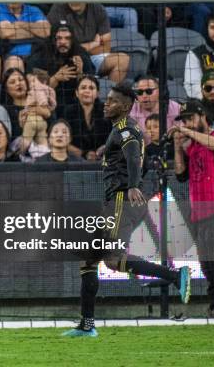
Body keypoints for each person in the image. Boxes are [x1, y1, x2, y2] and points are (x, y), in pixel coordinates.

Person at [63, 84, 191, 337]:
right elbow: (129, 153)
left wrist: (133, 184)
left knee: (111, 259)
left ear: (123, 106)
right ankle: (86, 325)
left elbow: (133, 155)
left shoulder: (126, 129)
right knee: (89, 259)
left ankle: (175, 276)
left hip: (123, 200)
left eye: (110, 101)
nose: (105, 103)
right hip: (116, 201)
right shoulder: (120, 130)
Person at [168, 100, 214, 317]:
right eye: (184, 120)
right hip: (199, 212)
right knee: (206, 264)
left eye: (190, 118)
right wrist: (178, 147)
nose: (186, 123)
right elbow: (180, 175)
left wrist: (187, 132)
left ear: (202, 116)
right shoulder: (193, 147)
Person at [47, 0, 129, 84]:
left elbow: (105, 47)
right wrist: (92, 44)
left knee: (123, 59)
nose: (73, 0)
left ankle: (108, 94)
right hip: (69, 57)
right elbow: (55, 45)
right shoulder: (57, 9)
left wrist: (82, 48)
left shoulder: (98, 9)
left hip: (93, 57)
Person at [25, 21, 94, 117]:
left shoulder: (81, 55)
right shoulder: (41, 55)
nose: (63, 42)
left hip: (75, 105)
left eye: (67, 38)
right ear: (53, 39)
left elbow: (92, 90)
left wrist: (80, 74)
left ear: (72, 40)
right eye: (59, 38)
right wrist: (55, 79)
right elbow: (36, 92)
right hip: (48, 104)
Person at [62, 75, 110, 160]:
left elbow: (115, 137)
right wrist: (83, 154)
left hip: (104, 158)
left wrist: (104, 149)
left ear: (97, 93)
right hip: (75, 159)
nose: (87, 91)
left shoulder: (107, 111)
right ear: (77, 93)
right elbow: (64, 142)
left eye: (91, 88)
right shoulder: (68, 112)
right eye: (83, 88)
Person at [129, 74, 180, 144]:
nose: (144, 96)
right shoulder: (132, 110)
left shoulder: (174, 107)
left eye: (149, 91)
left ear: (159, 91)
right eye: (140, 92)